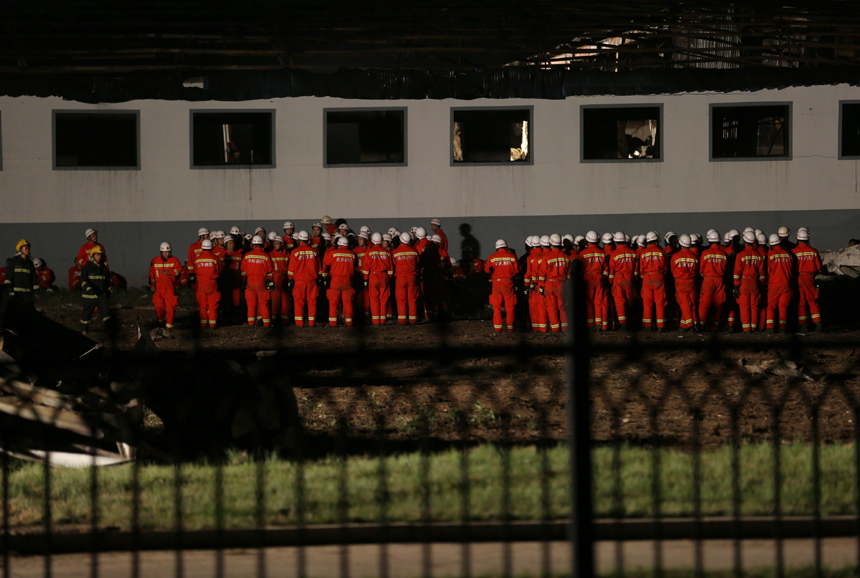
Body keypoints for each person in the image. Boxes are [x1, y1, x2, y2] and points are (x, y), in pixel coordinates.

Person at [733, 231, 766, 333]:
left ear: (745, 241)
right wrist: (760, 283)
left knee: (744, 306)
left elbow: (737, 272)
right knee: (755, 306)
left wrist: (736, 285)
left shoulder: (740, 255)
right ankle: (753, 327)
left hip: (744, 282)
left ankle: (746, 328)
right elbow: (762, 273)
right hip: (755, 283)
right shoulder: (759, 255)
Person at [484, 239, 519, 333]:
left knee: (497, 307)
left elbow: (487, 270)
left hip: (496, 284)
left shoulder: (492, 257)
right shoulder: (512, 256)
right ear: (506, 247)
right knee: (510, 307)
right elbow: (517, 270)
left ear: (496, 248)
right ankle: (511, 328)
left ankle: (498, 328)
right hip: (509, 284)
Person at [288, 231, 321, 327]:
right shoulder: (315, 252)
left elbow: (291, 270)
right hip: (312, 281)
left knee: (299, 302)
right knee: (312, 302)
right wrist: (319, 280)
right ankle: (311, 322)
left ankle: (299, 323)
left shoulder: (294, 252)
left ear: (299, 240)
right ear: (308, 240)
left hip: (299, 282)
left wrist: (290, 280)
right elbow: (319, 269)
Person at [322, 237, 357, 326]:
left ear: (339, 244)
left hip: (336, 281)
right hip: (347, 281)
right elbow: (355, 264)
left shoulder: (334, 253)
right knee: (348, 302)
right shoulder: (352, 254)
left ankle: (333, 323)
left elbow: (326, 261)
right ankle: (349, 322)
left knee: (333, 302)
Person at [793, 228, 823, 331]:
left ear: (797, 238)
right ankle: (818, 323)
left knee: (801, 302)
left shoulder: (793, 252)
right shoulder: (813, 251)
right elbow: (819, 268)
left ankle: (803, 325)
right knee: (813, 301)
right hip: (810, 278)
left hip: (798, 278)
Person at [242, 235, 275, 328]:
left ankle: (251, 323)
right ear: (262, 245)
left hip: (250, 281)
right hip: (261, 281)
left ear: (253, 245)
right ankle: (267, 324)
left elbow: (243, 270)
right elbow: (270, 271)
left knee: (251, 303)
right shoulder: (265, 256)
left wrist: (244, 282)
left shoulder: (247, 255)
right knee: (263, 303)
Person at [765, 233, 796, 333]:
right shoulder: (789, 254)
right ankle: (783, 328)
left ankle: (770, 327)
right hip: (787, 284)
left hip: (774, 284)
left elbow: (768, 271)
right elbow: (792, 270)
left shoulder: (770, 255)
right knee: (783, 307)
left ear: (772, 244)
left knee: (771, 307)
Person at [698, 230, 727, 332]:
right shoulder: (723, 254)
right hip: (720, 280)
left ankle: (702, 325)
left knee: (705, 304)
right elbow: (725, 268)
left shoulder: (705, 253)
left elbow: (701, 270)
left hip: (708, 280)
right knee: (718, 304)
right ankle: (715, 326)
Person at [148, 242, 183, 329]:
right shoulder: (155, 261)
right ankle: (160, 321)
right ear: (161, 252)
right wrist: (152, 284)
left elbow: (179, 270)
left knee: (171, 306)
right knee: (158, 305)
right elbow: (152, 274)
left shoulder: (174, 260)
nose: (167, 254)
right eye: (165, 252)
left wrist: (169, 272)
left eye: (168, 252)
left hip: (170, 287)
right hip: (159, 287)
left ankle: (169, 325)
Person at [363, 232, 394, 325]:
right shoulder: (387, 252)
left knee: (374, 299)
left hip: (373, 276)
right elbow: (390, 268)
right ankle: (383, 320)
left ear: (372, 240)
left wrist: (365, 279)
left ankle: (376, 321)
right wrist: (389, 278)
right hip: (384, 276)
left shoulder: (369, 252)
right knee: (384, 299)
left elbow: (366, 268)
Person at [639, 231, 668, 331]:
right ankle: (661, 326)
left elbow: (641, 270)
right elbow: (665, 269)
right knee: (660, 302)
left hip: (647, 277)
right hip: (659, 277)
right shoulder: (662, 252)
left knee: (647, 303)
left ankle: (648, 326)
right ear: (656, 241)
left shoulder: (643, 253)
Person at [80, 246, 112, 334]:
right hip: (89, 296)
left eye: (100, 255)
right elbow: (83, 280)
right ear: (93, 255)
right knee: (86, 315)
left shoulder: (103, 268)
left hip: (101, 296)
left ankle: (110, 331)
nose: (99, 257)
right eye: (97, 255)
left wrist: (108, 292)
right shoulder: (87, 267)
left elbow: (107, 282)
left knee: (106, 314)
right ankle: (84, 331)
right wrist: (88, 288)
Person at [670, 234, 699, 332]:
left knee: (685, 304)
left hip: (680, 282)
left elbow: (673, 270)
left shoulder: (675, 256)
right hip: (692, 282)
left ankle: (690, 325)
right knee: (692, 304)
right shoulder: (694, 257)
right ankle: (684, 326)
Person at [392, 232, 420, 325]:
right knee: (412, 299)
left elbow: (394, 264)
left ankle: (402, 320)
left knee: (401, 299)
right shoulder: (414, 251)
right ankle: (413, 319)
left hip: (400, 278)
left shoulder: (395, 252)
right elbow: (417, 263)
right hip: (412, 277)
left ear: (400, 240)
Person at [193, 239, 222, 329]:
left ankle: (203, 324)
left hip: (201, 284)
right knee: (212, 305)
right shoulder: (215, 258)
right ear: (211, 248)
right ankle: (212, 324)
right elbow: (220, 270)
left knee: (202, 305)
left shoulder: (197, 259)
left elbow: (195, 271)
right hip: (212, 283)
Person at [4, 239, 38, 306]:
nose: (28, 250)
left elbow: (34, 278)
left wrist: (37, 291)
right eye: (26, 248)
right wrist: (9, 290)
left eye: (29, 248)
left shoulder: (30, 263)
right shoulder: (13, 261)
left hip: (28, 295)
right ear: (20, 249)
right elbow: (8, 277)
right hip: (17, 294)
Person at [268, 236, 290, 325]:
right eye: (274, 243)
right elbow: (269, 269)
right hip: (275, 278)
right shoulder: (271, 254)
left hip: (285, 277)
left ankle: (285, 319)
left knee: (285, 299)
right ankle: (275, 319)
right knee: (275, 300)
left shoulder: (287, 254)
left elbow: (290, 266)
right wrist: (269, 280)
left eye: (277, 243)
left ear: (281, 244)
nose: (275, 245)